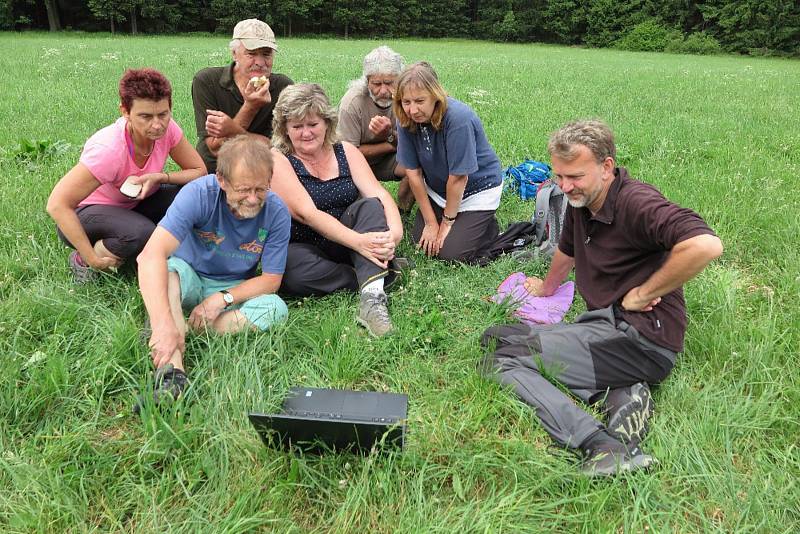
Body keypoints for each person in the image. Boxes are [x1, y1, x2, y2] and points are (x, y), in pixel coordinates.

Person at [480, 120, 723, 477]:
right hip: (607, 326)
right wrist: (547, 288)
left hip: (641, 339)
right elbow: (568, 250)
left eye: (574, 176)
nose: (564, 186)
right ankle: (621, 392)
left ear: (606, 167)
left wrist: (644, 292)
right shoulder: (584, 201)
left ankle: (601, 444)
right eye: (558, 176)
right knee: (499, 336)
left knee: (499, 359)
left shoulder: (636, 202)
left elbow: (705, 245)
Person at [136, 135, 291, 410]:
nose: (253, 199)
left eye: (261, 189)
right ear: (221, 180)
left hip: (232, 286)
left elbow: (271, 279)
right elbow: (150, 255)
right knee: (169, 272)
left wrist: (222, 299)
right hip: (190, 275)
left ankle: (185, 327)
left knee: (276, 308)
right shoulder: (198, 194)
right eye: (243, 190)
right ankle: (172, 371)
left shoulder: (277, 211)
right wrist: (163, 326)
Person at [46, 68, 206, 283]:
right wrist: (91, 257)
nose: (157, 125)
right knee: (143, 234)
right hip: (85, 215)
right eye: (145, 116)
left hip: (131, 204)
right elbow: (57, 204)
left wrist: (161, 177)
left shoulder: (168, 130)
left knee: (198, 193)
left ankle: (191, 256)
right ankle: (81, 259)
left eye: (163, 114)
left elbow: (199, 171)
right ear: (125, 111)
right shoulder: (109, 150)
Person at [270, 83, 403, 337]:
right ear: (285, 130)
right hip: (303, 243)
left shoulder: (346, 151)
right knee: (289, 272)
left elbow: (379, 194)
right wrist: (360, 243)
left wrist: (395, 235)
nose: (306, 133)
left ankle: (373, 299)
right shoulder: (278, 159)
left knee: (370, 206)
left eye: (313, 124)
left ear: (327, 123)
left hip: (349, 238)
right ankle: (376, 272)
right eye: (297, 127)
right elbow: (306, 213)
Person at [394, 61, 502, 262]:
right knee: (422, 242)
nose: (413, 110)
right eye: (406, 102)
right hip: (438, 190)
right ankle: (466, 225)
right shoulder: (405, 118)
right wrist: (430, 223)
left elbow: (459, 178)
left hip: (476, 189)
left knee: (450, 253)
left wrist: (446, 222)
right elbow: (414, 173)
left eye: (419, 101)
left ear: (435, 96)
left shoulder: (458, 118)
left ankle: (486, 225)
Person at [191, 18, 293, 173]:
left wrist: (231, 130)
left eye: (266, 54)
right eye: (251, 53)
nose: (260, 62)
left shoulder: (283, 87)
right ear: (234, 54)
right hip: (215, 170)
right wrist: (250, 106)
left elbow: (279, 147)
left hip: (262, 170)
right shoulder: (207, 81)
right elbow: (215, 147)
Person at [337, 46, 414, 210]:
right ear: (367, 81)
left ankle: (403, 209)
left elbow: (414, 142)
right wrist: (390, 142)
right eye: (376, 84)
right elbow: (346, 154)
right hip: (356, 164)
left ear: (399, 80)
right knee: (368, 209)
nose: (383, 91)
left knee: (419, 163)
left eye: (389, 83)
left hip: (392, 159)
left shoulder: (407, 100)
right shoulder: (352, 103)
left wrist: (390, 136)